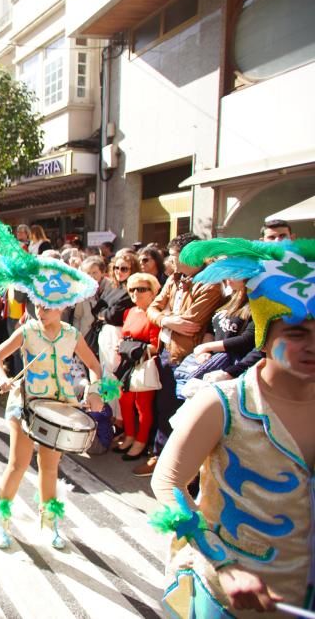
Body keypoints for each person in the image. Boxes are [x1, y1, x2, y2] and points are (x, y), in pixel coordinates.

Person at [150, 235, 314, 619]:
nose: (312, 346)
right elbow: (167, 482)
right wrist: (224, 563)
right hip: (226, 601)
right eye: (296, 333)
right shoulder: (222, 402)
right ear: (266, 334)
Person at [0, 219, 113, 550]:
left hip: (58, 407)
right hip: (25, 404)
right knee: (18, 464)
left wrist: (94, 391)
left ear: (64, 306)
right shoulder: (27, 331)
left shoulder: (72, 335)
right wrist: (3, 377)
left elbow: (96, 367)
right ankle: (1, 519)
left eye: (49, 304)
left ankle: (49, 523)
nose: (42, 308)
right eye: (37, 302)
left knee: (49, 468)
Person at [138, 233, 225, 477]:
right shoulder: (174, 279)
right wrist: (167, 319)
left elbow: (192, 323)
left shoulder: (210, 285)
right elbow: (153, 308)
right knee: (163, 409)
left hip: (188, 358)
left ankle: (182, 472)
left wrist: (166, 319)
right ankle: (160, 458)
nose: (171, 262)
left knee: (182, 416)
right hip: (167, 351)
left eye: (175, 257)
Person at [112, 272, 162, 460]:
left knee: (143, 406)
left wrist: (131, 347)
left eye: (141, 289)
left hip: (143, 364)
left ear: (152, 291)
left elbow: (156, 346)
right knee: (124, 401)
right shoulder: (130, 312)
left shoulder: (155, 314)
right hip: (126, 364)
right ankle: (130, 436)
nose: (135, 293)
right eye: (132, 289)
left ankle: (141, 441)